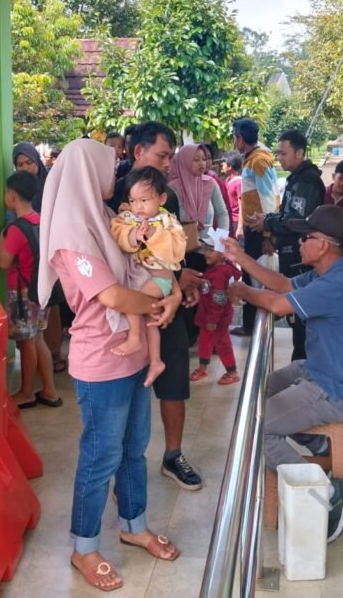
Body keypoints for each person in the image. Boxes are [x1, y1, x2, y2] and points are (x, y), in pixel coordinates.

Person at [37, 139, 182, 592]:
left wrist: (171, 295)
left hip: (135, 353)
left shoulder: (105, 218)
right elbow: (113, 296)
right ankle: (84, 547)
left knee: (134, 448)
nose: (115, 171)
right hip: (103, 358)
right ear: (86, 171)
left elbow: (145, 268)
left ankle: (133, 524)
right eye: (108, 165)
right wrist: (158, 304)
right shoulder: (69, 235)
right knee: (101, 456)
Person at [224, 205, 343, 543]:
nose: (299, 242)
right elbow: (282, 284)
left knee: (257, 427)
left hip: (336, 389)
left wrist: (245, 293)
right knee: (256, 394)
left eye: (305, 237)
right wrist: (241, 259)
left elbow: (278, 305)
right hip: (319, 370)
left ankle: (325, 495)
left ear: (323, 246)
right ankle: (314, 440)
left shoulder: (338, 282)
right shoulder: (327, 273)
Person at [107, 122, 205, 491]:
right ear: (138, 152)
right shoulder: (113, 193)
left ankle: (172, 454)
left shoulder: (168, 197)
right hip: (126, 303)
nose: (168, 163)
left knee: (174, 379)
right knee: (126, 388)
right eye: (162, 155)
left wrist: (178, 289)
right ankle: (123, 468)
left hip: (165, 300)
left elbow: (172, 253)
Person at [245, 129, 325, 360]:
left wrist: (268, 221)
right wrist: (272, 235)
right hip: (292, 254)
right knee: (296, 320)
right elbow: (290, 215)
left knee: (301, 320)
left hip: (302, 261)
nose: (279, 157)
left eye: (284, 152)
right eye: (278, 152)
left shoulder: (307, 180)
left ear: (299, 152)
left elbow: (299, 220)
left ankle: (302, 367)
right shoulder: (296, 179)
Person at [110, 166, 186, 387]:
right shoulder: (128, 217)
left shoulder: (167, 221)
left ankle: (134, 338)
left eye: (144, 200)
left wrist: (154, 235)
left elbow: (177, 249)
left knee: (133, 301)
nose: (138, 206)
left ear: (161, 198)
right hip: (139, 276)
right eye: (133, 201)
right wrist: (133, 235)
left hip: (160, 279)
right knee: (150, 318)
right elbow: (116, 231)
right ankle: (155, 360)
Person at [0, 171, 62, 409]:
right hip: (40, 290)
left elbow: (4, 262)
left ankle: (26, 392)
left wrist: (0, 237)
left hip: (22, 293)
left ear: (12, 196)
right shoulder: (41, 221)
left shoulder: (15, 229)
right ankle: (49, 390)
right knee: (38, 339)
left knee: (26, 343)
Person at [230, 117, 280, 337]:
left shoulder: (257, 161)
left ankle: (252, 323)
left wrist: (268, 233)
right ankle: (255, 322)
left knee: (254, 274)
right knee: (254, 273)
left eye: (234, 138)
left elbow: (268, 197)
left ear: (240, 139)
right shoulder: (256, 157)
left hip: (259, 228)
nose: (234, 142)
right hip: (257, 226)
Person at [188, 235, 241, 385]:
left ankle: (232, 372)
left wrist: (212, 320)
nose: (207, 253)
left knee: (222, 344)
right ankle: (202, 367)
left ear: (223, 254)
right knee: (205, 342)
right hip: (207, 317)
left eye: (212, 250)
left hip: (216, 319)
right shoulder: (213, 269)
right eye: (206, 249)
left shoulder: (219, 274)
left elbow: (219, 298)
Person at [169, 143, 230, 236]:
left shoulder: (210, 183)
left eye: (204, 159)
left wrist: (221, 239)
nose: (202, 163)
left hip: (208, 246)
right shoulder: (173, 188)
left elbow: (222, 213)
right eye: (196, 160)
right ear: (184, 161)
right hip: (181, 247)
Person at [13, 141, 48, 212]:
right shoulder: (14, 186)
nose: (25, 168)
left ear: (36, 161)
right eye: (20, 165)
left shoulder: (49, 183)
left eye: (29, 163)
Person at [222, 152, 243, 236]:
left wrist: (240, 227)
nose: (222, 165)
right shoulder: (227, 180)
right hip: (229, 219)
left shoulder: (238, 183)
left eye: (224, 163)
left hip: (236, 221)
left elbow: (242, 206)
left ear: (230, 167)